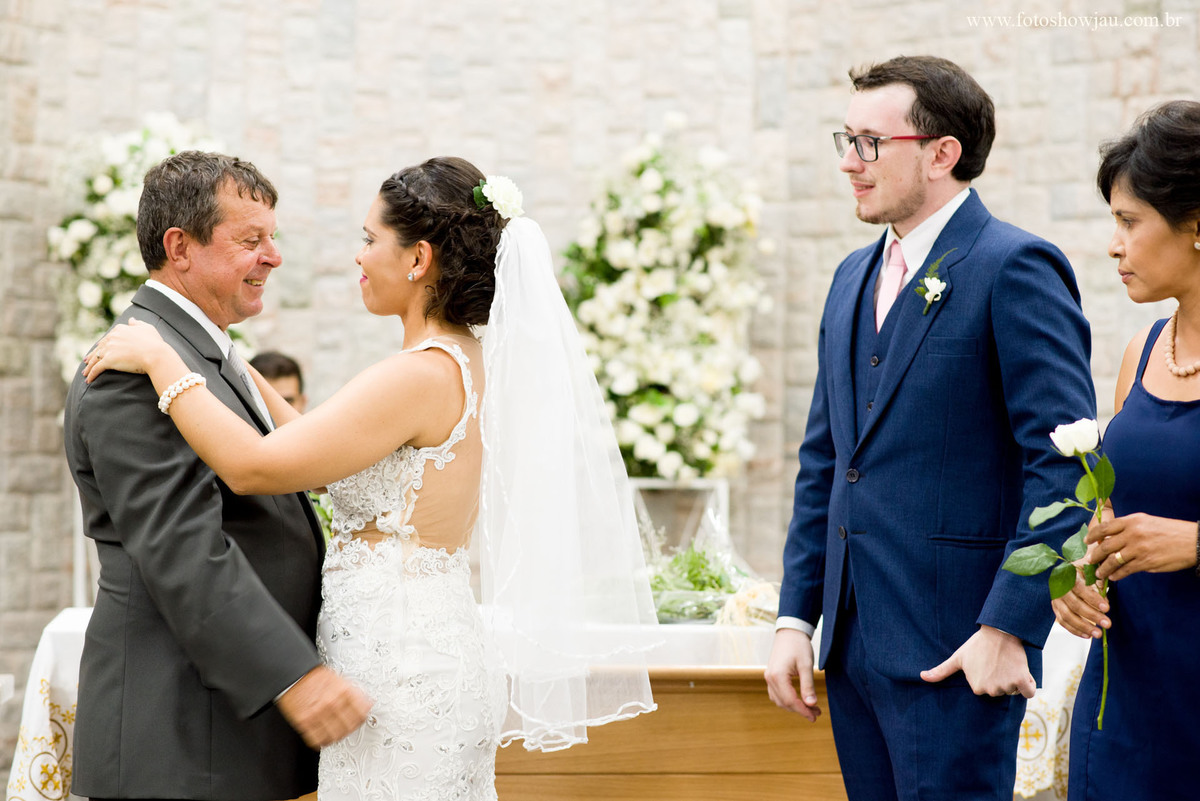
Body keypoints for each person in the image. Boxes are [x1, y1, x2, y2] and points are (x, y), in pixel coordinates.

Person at [82, 156, 657, 800]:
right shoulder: (468, 360)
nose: (357, 256)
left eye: (369, 239)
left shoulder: (415, 375)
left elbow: (254, 466)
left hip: (399, 666)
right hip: (429, 649)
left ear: (418, 259)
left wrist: (166, 363)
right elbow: (315, 446)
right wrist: (224, 359)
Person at [763, 55, 1096, 800]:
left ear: (942, 153)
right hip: (852, 650)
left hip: (960, 649)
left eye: (871, 143)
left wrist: (1008, 626)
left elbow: (1065, 464)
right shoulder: (850, 277)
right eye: (846, 139)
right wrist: (795, 617)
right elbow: (828, 461)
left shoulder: (1015, 266)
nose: (849, 162)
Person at [62, 151, 371, 801]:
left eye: (273, 239)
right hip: (180, 734)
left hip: (221, 730)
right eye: (251, 240)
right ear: (180, 247)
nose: (273, 257)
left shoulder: (201, 352)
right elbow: (182, 547)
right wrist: (294, 676)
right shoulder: (131, 371)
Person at [1050, 100, 1200, 801]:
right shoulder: (1141, 352)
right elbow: (1109, 514)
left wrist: (1195, 543)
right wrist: (1079, 577)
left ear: (1196, 223)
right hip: (1127, 701)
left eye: (1129, 221)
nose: (1114, 245)